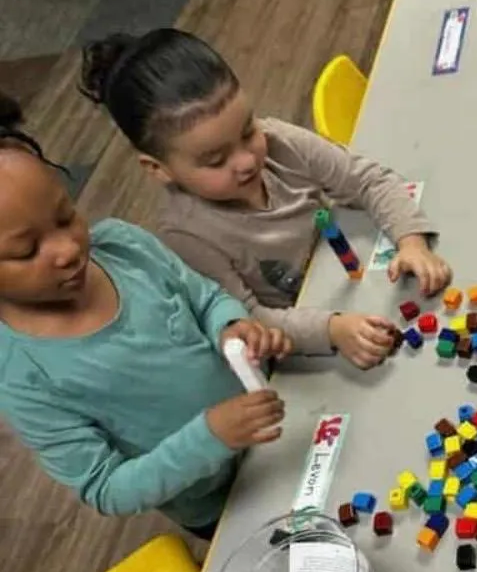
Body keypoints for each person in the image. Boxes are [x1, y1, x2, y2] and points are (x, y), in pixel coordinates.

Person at [79, 29, 452, 370]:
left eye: (247, 131)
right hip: (306, 344)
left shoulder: (277, 140)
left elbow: (368, 180)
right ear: (158, 169)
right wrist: (332, 330)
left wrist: (411, 241)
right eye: (216, 160)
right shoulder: (185, 235)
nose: (246, 161)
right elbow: (249, 319)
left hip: (359, 282)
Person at [0, 128, 290, 537]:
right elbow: (107, 488)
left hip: (282, 418)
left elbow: (205, 298)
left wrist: (230, 327)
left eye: (65, 217)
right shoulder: (21, 374)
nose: (67, 249)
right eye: (26, 251)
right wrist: (210, 437)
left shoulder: (123, 246)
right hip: (224, 502)